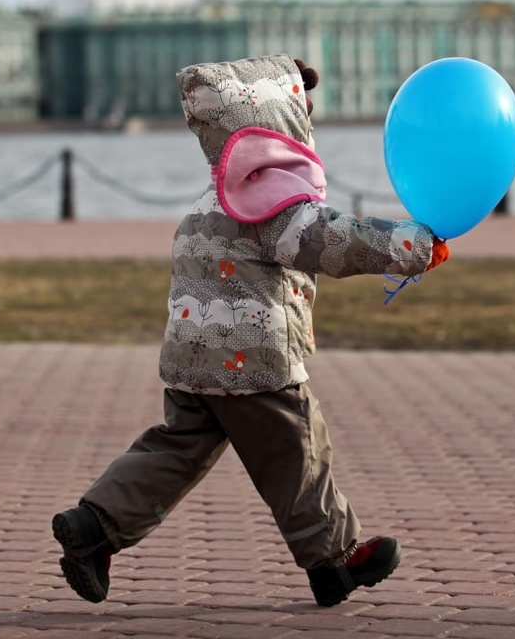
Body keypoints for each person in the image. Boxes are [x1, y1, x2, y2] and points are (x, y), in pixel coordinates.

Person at [51, 53, 449, 608]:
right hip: (254, 361)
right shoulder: (272, 204)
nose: (308, 120)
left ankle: (95, 525)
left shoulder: (211, 200)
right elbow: (334, 243)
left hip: (192, 360)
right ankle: (334, 561)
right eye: (299, 110)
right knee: (297, 449)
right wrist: (411, 246)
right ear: (275, 126)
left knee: (176, 449)